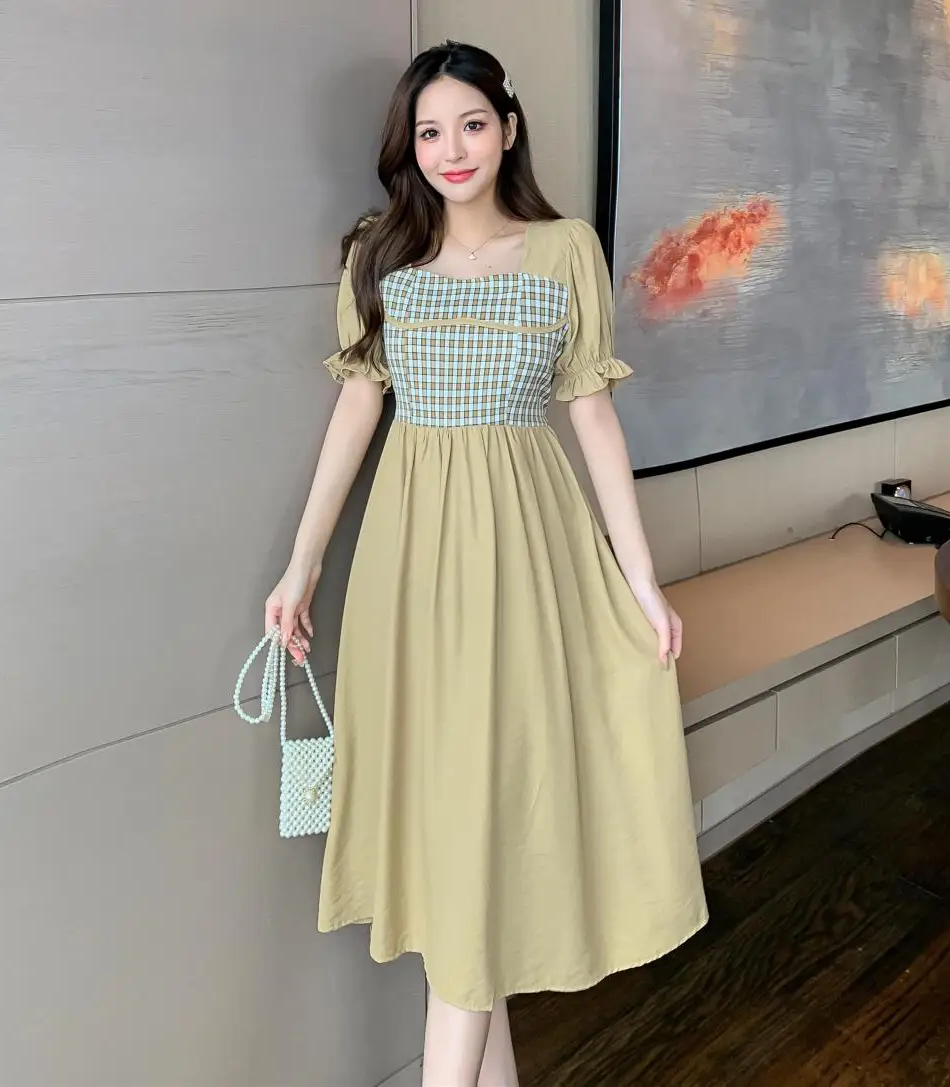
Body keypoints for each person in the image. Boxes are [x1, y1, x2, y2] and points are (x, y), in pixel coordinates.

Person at [264, 39, 708, 1087]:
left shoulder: (563, 250)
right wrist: (303, 563)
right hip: (411, 570)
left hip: (528, 559)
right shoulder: (379, 255)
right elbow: (357, 408)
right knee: (451, 828)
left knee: (486, 818)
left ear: (507, 128)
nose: (450, 149)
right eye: (429, 132)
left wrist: (640, 579)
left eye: (469, 124)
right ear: (408, 146)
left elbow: (591, 417)